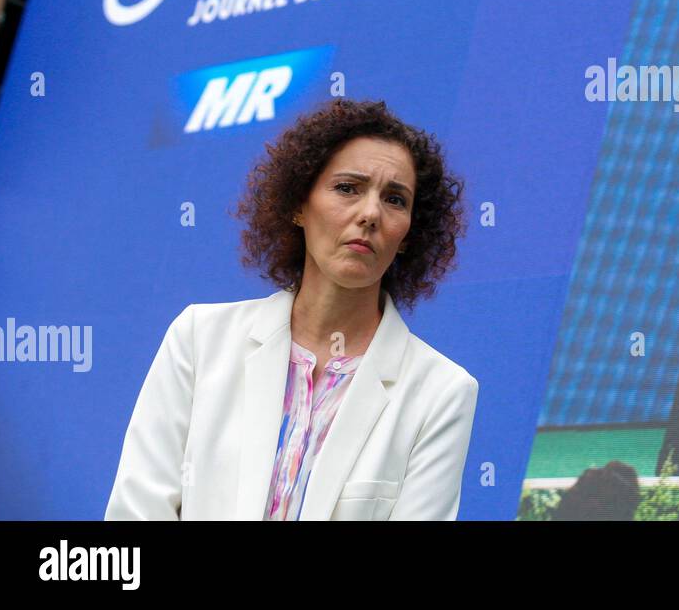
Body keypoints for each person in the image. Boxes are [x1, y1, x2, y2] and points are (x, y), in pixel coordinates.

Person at [105, 97, 478, 519]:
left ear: (410, 232)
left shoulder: (443, 392)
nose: (370, 213)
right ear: (299, 205)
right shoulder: (199, 338)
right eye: (347, 188)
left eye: (395, 199)